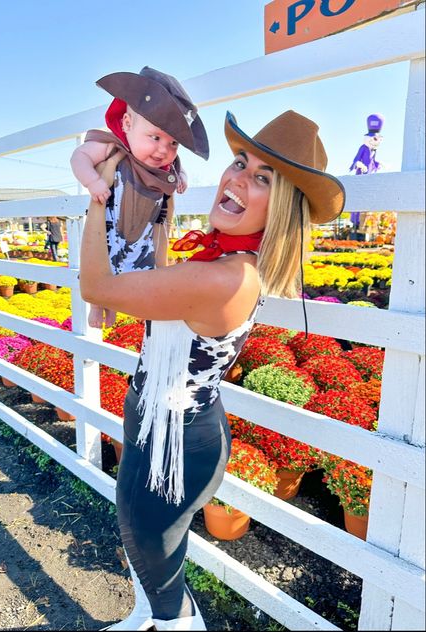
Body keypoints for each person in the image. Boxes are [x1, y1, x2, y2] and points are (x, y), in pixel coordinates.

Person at [80, 109, 345, 631]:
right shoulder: (223, 263)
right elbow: (158, 282)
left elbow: (96, 286)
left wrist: (103, 191)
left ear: (283, 208)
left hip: (178, 438)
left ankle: (175, 622)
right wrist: (162, 206)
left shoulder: (227, 278)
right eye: (240, 163)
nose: (237, 178)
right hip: (164, 420)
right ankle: (146, 616)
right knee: (148, 545)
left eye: (262, 178)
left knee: (150, 548)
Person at [71, 66, 209, 328]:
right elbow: (79, 156)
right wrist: (92, 181)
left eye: (173, 143)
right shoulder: (111, 147)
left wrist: (181, 178)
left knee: (142, 272)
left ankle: (128, 309)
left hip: (143, 232)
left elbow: (177, 168)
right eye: (154, 137)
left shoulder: (166, 165)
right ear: (127, 123)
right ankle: (98, 309)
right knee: (100, 265)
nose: (162, 150)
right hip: (110, 224)